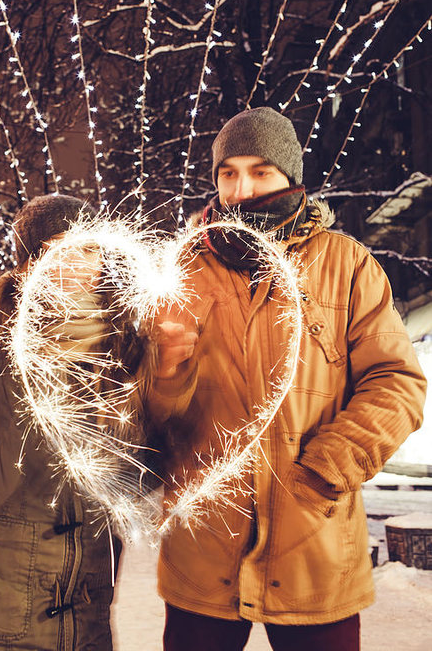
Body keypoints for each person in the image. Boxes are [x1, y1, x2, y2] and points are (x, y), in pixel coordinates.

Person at [147, 107, 427, 651]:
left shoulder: (345, 264)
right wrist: (163, 374)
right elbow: (142, 413)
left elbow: (396, 381)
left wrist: (329, 467)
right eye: (228, 173)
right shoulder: (179, 271)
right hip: (204, 544)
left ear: (290, 176)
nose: (242, 189)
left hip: (314, 541)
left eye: (260, 171)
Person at [0, 194, 133, 651]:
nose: (75, 263)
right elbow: (31, 463)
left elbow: (137, 473)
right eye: (56, 249)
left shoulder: (122, 345)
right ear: (29, 265)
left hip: (86, 598)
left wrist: (171, 373)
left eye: (87, 248)